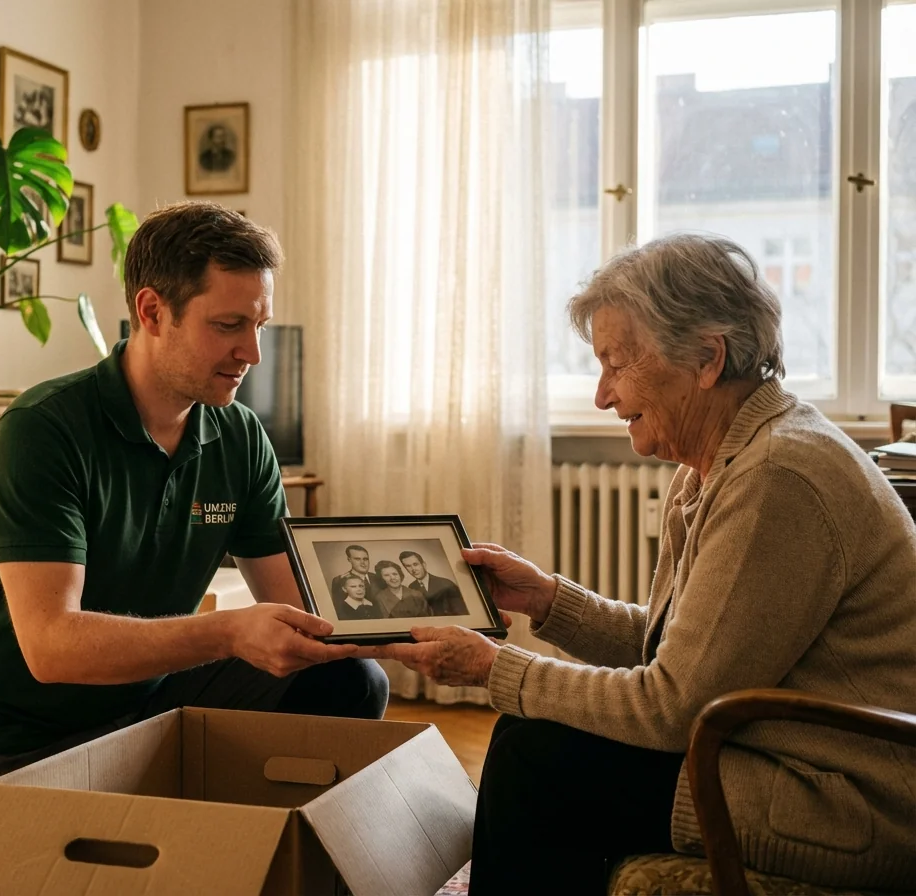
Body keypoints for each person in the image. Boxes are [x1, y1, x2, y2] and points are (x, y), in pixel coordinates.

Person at [365, 234, 916, 894]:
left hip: (845, 799)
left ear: (708, 358)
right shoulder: (719, 464)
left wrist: (492, 667)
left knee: (535, 762)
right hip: (773, 753)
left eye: (616, 364)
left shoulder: (777, 477)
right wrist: (546, 599)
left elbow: (671, 706)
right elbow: (684, 651)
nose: (602, 395)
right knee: (533, 735)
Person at [0, 201, 388, 896]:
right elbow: (52, 646)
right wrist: (230, 633)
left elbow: (296, 610)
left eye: (258, 325)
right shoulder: (44, 430)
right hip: (17, 726)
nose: (253, 353)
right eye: (229, 325)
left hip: (154, 695)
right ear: (151, 312)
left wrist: (408, 623)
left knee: (351, 682)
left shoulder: (238, 437)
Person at [399, 550, 467, 616]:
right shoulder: (412, 587)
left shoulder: (446, 584)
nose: (413, 569)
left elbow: (461, 613)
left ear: (424, 565)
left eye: (415, 564)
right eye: (408, 566)